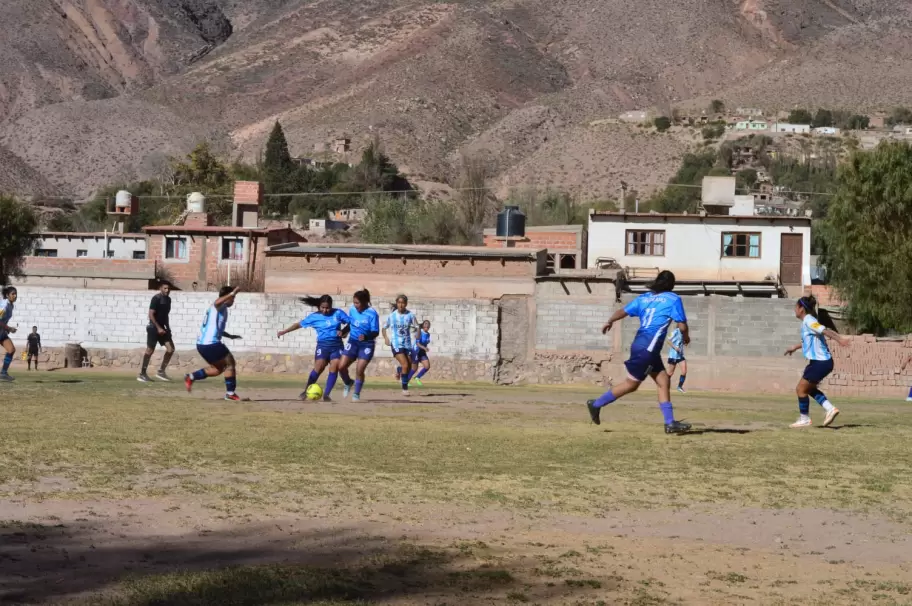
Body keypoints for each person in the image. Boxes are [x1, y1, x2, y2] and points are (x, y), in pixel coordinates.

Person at [586, 271, 692, 434]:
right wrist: (685, 336)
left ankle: (670, 423)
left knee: (663, 381)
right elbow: (682, 325)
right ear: (671, 285)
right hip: (648, 349)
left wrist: (609, 321)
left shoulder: (644, 298)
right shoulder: (673, 299)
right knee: (631, 384)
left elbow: (623, 311)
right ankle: (596, 404)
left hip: (641, 345)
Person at [784, 295, 850, 428]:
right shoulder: (807, 322)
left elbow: (824, 330)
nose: (794, 310)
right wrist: (794, 348)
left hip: (821, 362)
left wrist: (840, 339)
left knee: (800, 389)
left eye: (796, 307)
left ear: (801, 309)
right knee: (809, 389)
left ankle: (805, 419)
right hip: (821, 362)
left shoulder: (809, 320)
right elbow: (807, 341)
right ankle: (830, 409)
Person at [277, 295, 350, 401]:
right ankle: (307, 391)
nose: (325, 310)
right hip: (322, 346)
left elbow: (351, 323)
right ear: (319, 306)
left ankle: (326, 395)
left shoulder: (338, 313)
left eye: (327, 308)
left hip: (336, 346)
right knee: (319, 368)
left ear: (331, 306)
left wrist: (343, 331)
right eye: (322, 307)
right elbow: (299, 325)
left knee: (334, 367)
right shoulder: (314, 317)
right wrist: (284, 331)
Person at [184, 286, 244, 400]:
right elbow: (217, 301)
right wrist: (233, 292)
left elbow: (216, 328)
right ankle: (230, 394)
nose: (233, 300)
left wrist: (229, 336)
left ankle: (191, 377)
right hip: (210, 343)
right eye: (232, 298)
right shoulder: (218, 306)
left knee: (218, 369)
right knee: (230, 364)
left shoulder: (222, 309)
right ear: (226, 297)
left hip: (202, 344)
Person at [338, 289, 380, 402]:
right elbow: (350, 323)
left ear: (365, 302)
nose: (355, 305)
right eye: (354, 302)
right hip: (353, 342)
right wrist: (343, 331)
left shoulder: (372, 313)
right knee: (341, 367)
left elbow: (376, 331)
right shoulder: (352, 310)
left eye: (357, 303)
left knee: (359, 370)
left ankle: (356, 394)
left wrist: (366, 337)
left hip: (366, 344)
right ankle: (348, 382)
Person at [138, 282, 175, 382]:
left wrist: (168, 328)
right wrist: (158, 328)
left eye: (169, 288)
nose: (167, 290)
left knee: (170, 349)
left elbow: (166, 315)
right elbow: (151, 314)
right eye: (165, 288)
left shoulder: (168, 300)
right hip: (153, 327)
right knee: (150, 350)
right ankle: (142, 374)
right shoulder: (156, 298)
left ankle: (161, 372)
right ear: (161, 288)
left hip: (163, 328)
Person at [384, 294, 419, 396]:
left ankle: (399, 371)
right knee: (405, 364)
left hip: (407, 344)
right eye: (399, 303)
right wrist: (386, 338)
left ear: (406, 304)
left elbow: (417, 327)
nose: (401, 305)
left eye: (403, 303)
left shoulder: (410, 316)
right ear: (397, 303)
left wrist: (418, 334)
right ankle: (405, 389)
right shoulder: (392, 316)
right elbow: (384, 327)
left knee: (408, 367)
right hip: (396, 343)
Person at [0, 287, 18, 382]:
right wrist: (9, 328)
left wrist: (6, 328)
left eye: (16, 294)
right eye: (13, 294)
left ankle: (3, 373)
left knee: (11, 350)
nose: (15, 296)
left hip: (1, 333)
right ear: (7, 295)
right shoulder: (3, 305)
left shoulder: (11, 305)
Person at [408, 320, 432, 387]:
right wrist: (424, 348)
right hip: (416, 351)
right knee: (414, 368)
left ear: (429, 326)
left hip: (422, 352)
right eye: (425, 324)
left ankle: (417, 377)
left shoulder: (428, 334)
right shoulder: (419, 332)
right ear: (423, 325)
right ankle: (406, 381)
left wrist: (425, 348)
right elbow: (417, 343)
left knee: (427, 366)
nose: (426, 326)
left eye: (428, 325)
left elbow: (426, 342)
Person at [666, 327, 687, 393]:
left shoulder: (683, 333)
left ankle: (679, 387)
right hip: (673, 355)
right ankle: (664, 385)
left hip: (680, 355)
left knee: (684, 371)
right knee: (670, 373)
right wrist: (675, 348)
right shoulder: (675, 332)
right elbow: (668, 340)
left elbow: (681, 342)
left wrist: (684, 342)